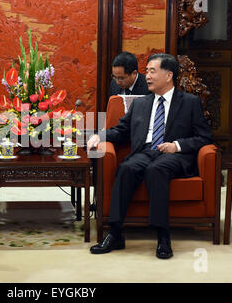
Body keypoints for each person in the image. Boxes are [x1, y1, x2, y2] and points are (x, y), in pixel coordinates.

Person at [88, 53, 212, 259]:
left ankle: (163, 235)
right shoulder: (141, 104)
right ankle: (116, 233)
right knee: (126, 168)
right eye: (147, 71)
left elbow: (205, 137)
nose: (147, 76)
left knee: (157, 170)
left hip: (174, 155)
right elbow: (120, 130)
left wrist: (177, 145)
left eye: (153, 71)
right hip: (145, 152)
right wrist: (98, 136)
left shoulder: (190, 102)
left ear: (169, 75)